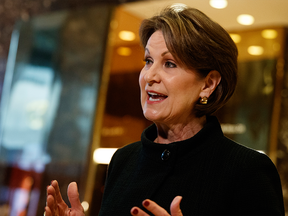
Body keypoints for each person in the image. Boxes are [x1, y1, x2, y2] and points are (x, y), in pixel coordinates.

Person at [45, 5, 285, 216]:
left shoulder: (248, 171)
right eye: (148, 61)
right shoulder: (123, 160)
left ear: (208, 84)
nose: (150, 76)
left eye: (169, 63)